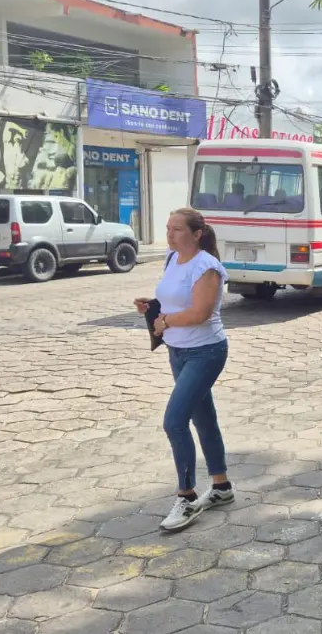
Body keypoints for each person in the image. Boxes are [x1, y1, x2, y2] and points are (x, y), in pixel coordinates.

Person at [133, 208, 234, 532]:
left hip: (205, 352)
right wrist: (153, 307)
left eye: (177, 229)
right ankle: (221, 487)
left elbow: (201, 313)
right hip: (177, 351)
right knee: (203, 419)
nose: (170, 234)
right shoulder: (170, 258)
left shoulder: (207, 266)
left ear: (197, 233)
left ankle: (187, 496)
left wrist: (165, 321)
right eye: (168, 227)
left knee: (174, 422)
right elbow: (176, 301)